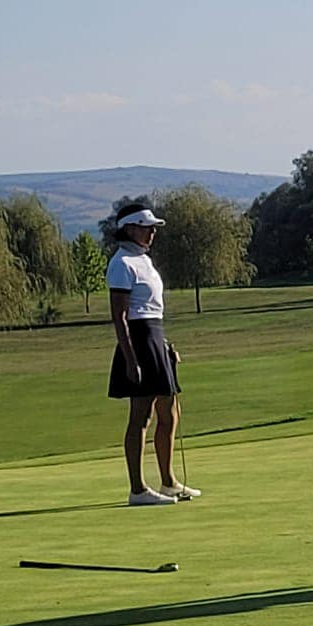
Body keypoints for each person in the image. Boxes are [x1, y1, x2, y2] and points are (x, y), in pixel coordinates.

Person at [105, 200, 199, 506]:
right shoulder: (121, 263)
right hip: (138, 340)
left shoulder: (144, 260)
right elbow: (120, 316)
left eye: (153, 228)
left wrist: (164, 345)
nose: (152, 233)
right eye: (147, 228)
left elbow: (152, 309)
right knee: (141, 416)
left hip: (155, 336)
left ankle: (168, 482)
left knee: (169, 412)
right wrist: (131, 359)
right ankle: (138, 489)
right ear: (129, 229)